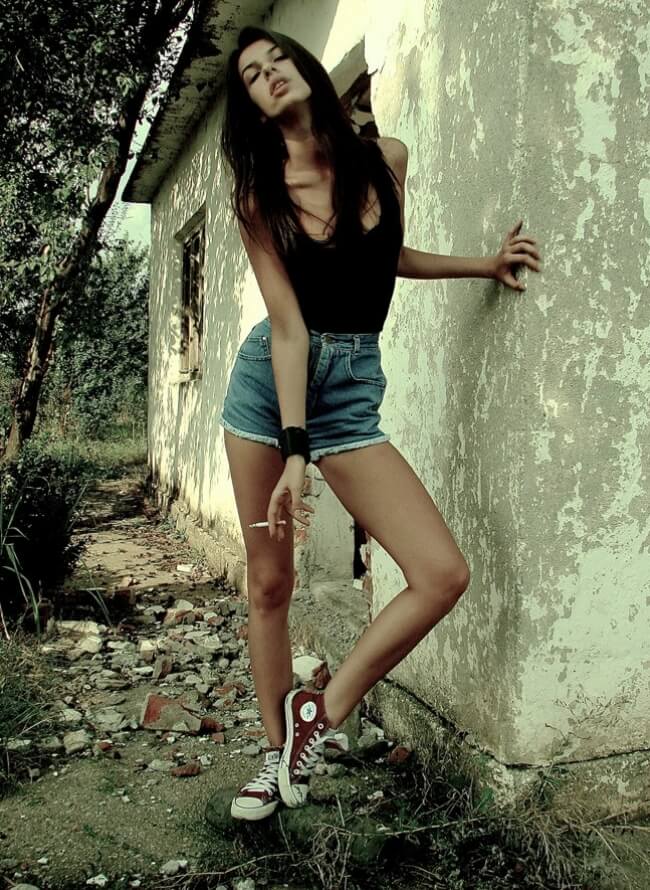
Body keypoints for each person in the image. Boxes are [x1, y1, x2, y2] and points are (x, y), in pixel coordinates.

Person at [218, 26, 542, 821]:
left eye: (278, 59)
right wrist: (295, 453)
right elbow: (287, 327)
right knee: (271, 581)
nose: (271, 74)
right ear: (252, 106)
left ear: (305, 69)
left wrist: (482, 264)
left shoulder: (385, 158)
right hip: (272, 389)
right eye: (253, 75)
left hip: (352, 384)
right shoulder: (260, 196)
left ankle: (316, 717)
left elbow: (385, 255)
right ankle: (277, 763)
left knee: (441, 572)